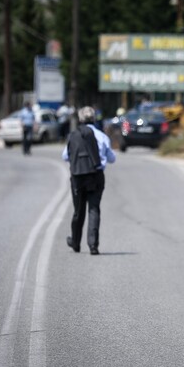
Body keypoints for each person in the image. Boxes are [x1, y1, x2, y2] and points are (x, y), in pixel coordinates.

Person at [62, 106, 116, 255]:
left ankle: (75, 242)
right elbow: (112, 159)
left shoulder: (74, 135)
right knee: (94, 209)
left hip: (78, 176)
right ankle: (93, 245)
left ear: (80, 119)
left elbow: (65, 156)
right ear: (93, 119)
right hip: (96, 176)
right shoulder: (102, 136)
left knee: (78, 211)